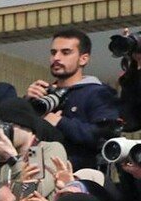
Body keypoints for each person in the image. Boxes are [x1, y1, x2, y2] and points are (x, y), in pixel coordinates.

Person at [27, 28, 122, 172]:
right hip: (36, 173)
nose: (56, 58)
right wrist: (27, 103)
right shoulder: (43, 94)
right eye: (53, 52)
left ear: (83, 59)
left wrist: (60, 122)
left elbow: (105, 137)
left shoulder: (98, 93)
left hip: (80, 178)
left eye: (65, 52)